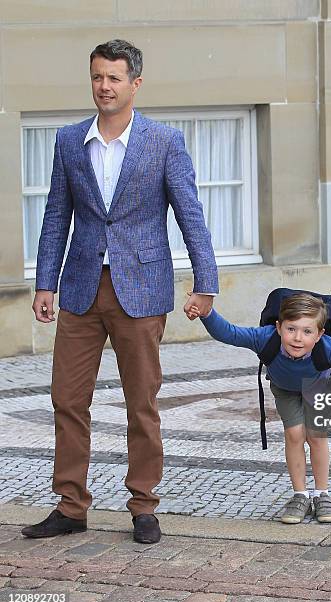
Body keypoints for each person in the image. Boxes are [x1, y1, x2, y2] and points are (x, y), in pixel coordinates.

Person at [21, 39, 218, 544]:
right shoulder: (69, 141)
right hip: (81, 288)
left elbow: (189, 214)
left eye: (113, 77)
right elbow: (55, 217)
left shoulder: (164, 141)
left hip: (143, 288)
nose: (104, 86)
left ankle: (143, 505)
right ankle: (71, 504)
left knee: (141, 402)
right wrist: (46, 281)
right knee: (66, 397)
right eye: (96, 77)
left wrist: (206, 283)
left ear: (135, 83)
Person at [189, 293, 331, 524]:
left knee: (317, 436)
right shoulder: (265, 338)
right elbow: (229, 333)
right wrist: (206, 312)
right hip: (285, 389)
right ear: (278, 327)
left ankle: (322, 494)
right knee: (294, 433)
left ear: (320, 335)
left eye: (307, 331)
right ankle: (300, 494)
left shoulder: (327, 348)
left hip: (318, 386)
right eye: (291, 329)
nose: (298, 338)